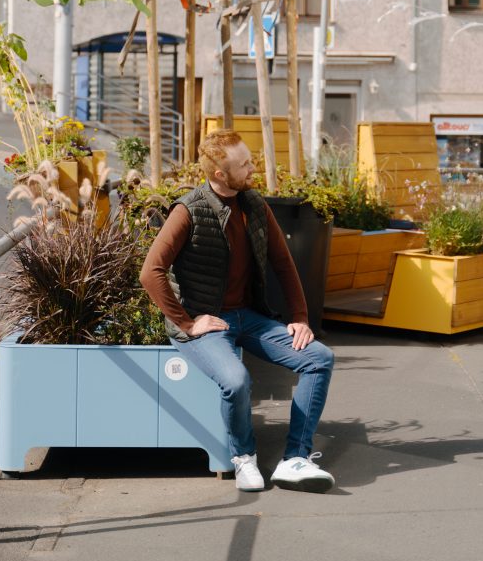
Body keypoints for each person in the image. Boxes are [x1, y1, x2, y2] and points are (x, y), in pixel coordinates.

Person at [140, 129, 336, 493]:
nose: (252, 168)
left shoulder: (255, 205)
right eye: (243, 164)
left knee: (319, 358)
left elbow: (283, 263)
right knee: (236, 380)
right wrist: (187, 323)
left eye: (250, 160)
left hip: (249, 317)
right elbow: (150, 272)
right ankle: (244, 456)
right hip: (207, 323)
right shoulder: (188, 210)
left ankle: (295, 458)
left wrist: (299, 317)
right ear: (220, 174)